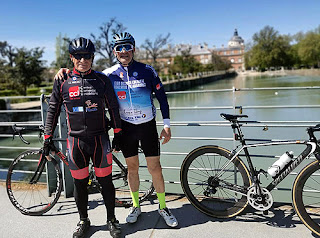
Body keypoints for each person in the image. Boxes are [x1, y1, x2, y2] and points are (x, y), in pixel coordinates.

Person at [55, 32, 178, 228]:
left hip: (147, 127)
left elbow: (162, 98)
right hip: (126, 128)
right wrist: (64, 71)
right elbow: (85, 76)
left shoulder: (147, 70)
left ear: (134, 49)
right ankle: (136, 206)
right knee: (132, 169)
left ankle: (163, 207)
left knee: (156, 168)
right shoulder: (108, 74)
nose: (124, 51)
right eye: (119, 48)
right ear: (114, 51)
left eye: (127, 47)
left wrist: (167, 125)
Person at [44, 37, 123, 238]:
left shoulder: (101, 80)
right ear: (71, 58)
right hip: (76, 142)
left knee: (106, 182)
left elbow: (113, 107)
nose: (83, 60)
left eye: (87, 56)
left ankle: (112, 219)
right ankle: (83, 219)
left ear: (92, 57)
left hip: (100, 140)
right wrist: (47, 137)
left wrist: (118, 133)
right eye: (78, 56)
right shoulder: (63, 81)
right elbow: (52, 110)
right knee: (80, 184)